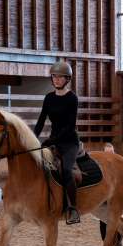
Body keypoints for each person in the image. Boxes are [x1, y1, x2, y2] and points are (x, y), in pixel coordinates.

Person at [34, 60, 81, 225]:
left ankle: (73, 208)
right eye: (54, 76)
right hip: (53, 141)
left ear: (67, 79)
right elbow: (41, 121)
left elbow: (69, 126)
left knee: (67, 170)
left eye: (60, 77)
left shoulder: (72, 98)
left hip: (69, 142)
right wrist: (33, 139)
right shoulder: (48, 98)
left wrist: (50, 140)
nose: (57, 80)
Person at [99, 142, 123, 246]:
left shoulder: (120, 165)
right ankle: (106, 242)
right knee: (103, 219)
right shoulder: (99, 166)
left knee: (119, 218)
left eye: (112, 153)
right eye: (107, 153)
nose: (110, 156)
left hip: (116, 196)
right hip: (104, 196)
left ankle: (118, 243)